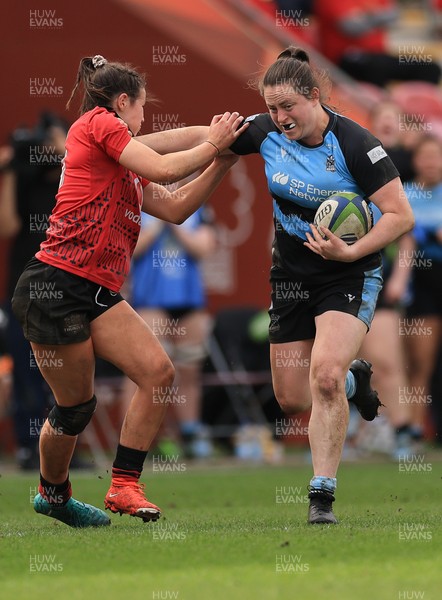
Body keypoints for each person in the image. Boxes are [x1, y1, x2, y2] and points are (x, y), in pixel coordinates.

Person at [147, 47, 415, 524]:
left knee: (325, 375)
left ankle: (321, 496)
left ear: (314, 96)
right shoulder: (267, 132)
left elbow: (400, 214)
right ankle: (357, 380)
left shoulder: (356, 144)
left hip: (348, 272)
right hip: (291, 277)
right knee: (292, 397)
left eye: (288, 106)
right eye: (271, 107)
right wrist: (127, 143)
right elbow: (200, 136)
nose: (279, 117)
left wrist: (350, 251)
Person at [11, 54, 247, 528]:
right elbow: (163, 167)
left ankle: (124, 485)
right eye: (142, 110)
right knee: (76, 407)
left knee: (159, 373)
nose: (144, 123)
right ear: (123, 104)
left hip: (95, 291)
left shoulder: (120, 155)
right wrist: (213, 143)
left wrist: (224, 152)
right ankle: (52, 493)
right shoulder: (97, 123)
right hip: (55, 284)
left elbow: (178, 206)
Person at [126, 198, 217, 458]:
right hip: (151, 299)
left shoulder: (197, 204)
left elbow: (204, 247)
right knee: (145, 371)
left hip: (188, 300)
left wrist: (175, 220)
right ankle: (137, 441)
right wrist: (161, 221)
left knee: (189, 370)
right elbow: (131, 247)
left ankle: (190, 434)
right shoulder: (137, 202)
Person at [403, 135, 442, 444]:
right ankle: (412, 429)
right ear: (416, 161)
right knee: (420, 361)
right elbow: (401, 229)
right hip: (419, 282)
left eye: (436, 156)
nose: (430, 162)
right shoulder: (404, 192)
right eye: (425, 156)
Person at [314, 0, 441, 87]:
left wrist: (366, 17)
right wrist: (378, 17)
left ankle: (416, 115)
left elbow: (394, 17)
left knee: (429, 67)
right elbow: (351, 28)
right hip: (344, 57)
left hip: (378, 54)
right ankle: (381, 114)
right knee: (377, 67)